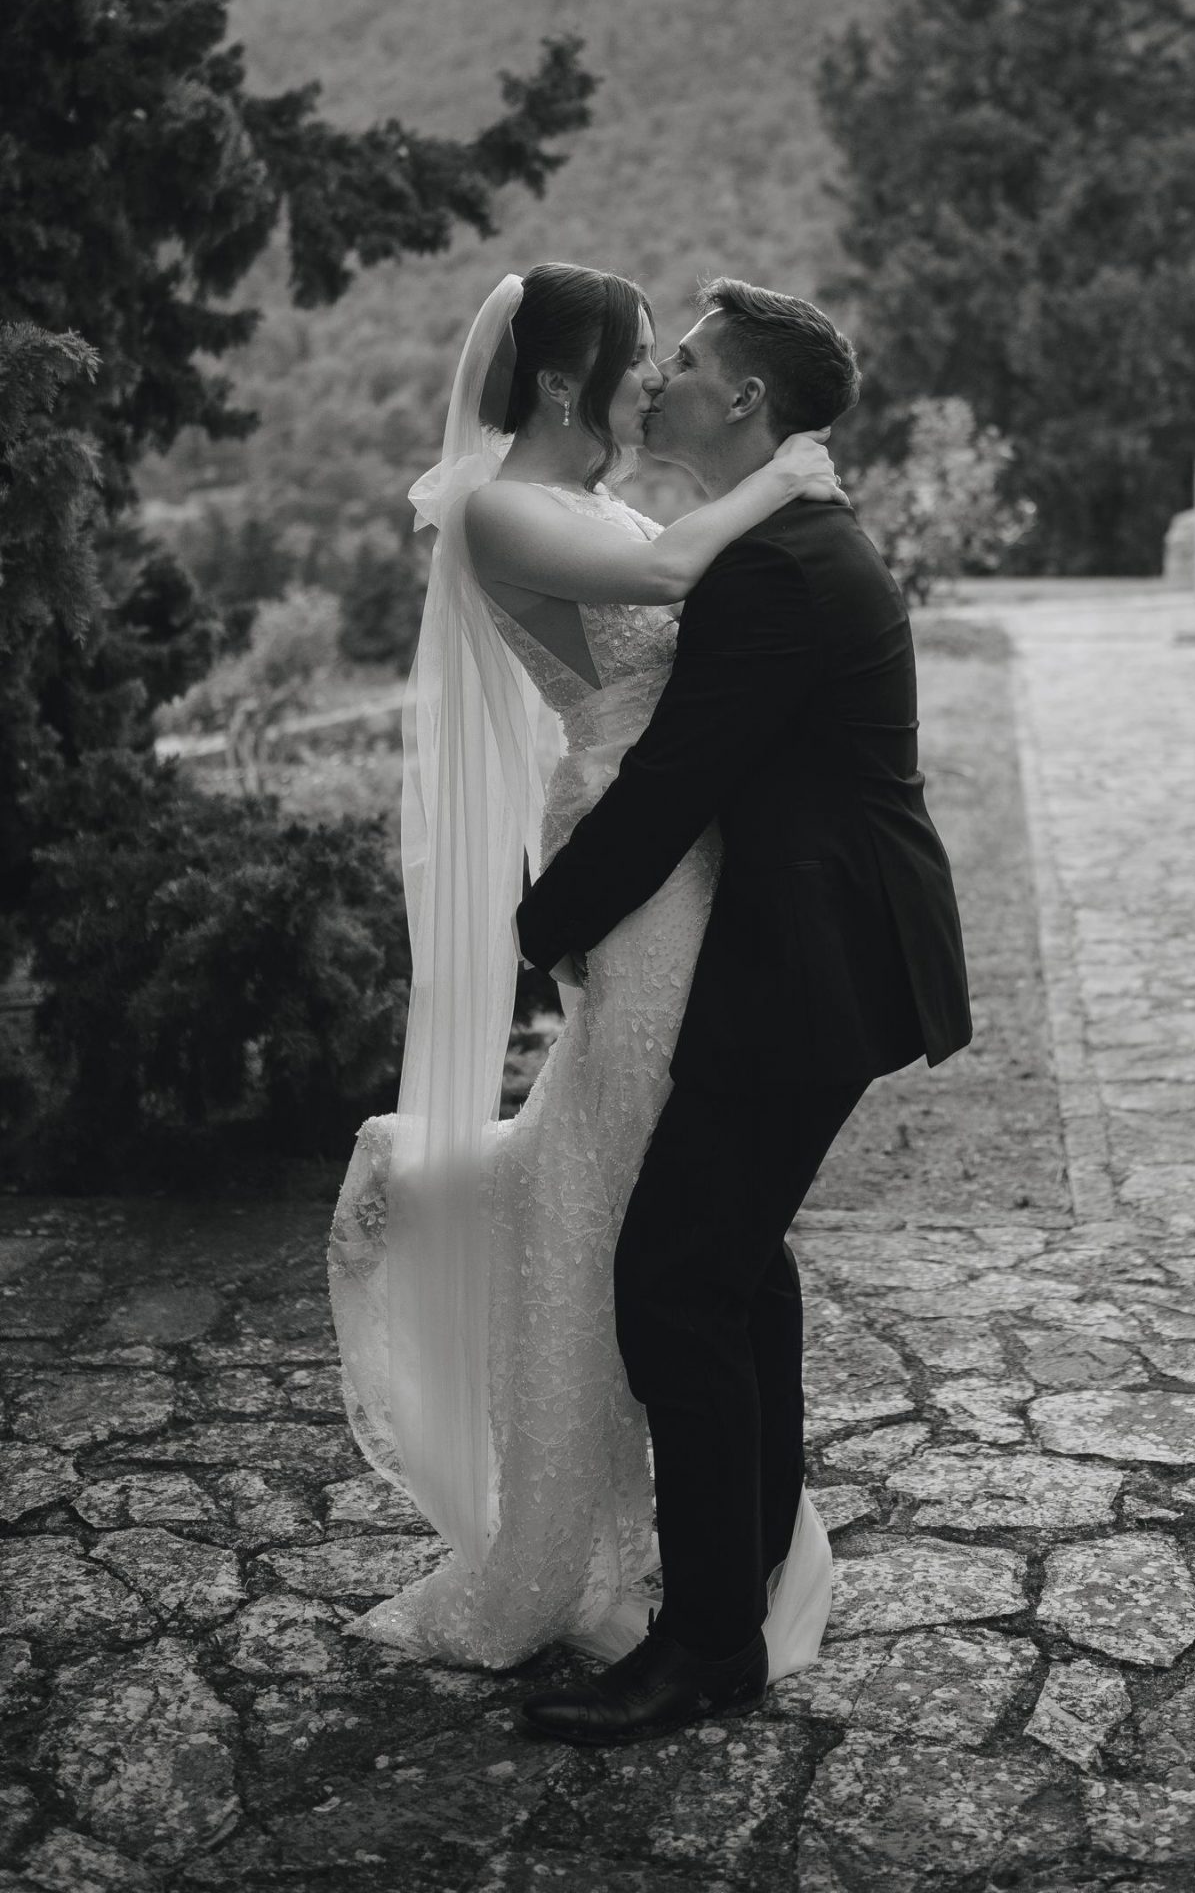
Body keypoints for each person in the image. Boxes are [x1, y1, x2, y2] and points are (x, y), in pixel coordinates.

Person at [327, 262, 844, 1670]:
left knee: (631, 1148)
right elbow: (677, 578)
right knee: (638, 1138)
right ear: (564, 383)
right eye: (631, 367)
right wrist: (789, 472)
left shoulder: (602, 500)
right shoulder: (497, 506)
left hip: (682, 830)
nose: (650, 385)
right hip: (630, 841)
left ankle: (698, 1533)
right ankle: (598, 1533)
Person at [514, 277, 972, 1748]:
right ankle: (752, 1572)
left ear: (748, 404)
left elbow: (672, 787)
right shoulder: (773, 538)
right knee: (729, 1262)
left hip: (812, 961)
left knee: (672, 1280)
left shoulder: (775, 567)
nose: (668, 379)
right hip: (810, 946)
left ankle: (709, 1642)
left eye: (692, 361)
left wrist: (540, 928)